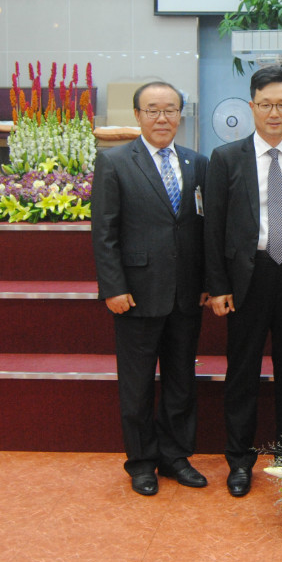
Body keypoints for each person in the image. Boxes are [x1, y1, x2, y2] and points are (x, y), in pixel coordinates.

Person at [204, 65, 282, 497]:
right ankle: (239, 461)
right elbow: (212, 227)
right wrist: (218, 286)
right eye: (265, 104)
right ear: (252, 106)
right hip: (247, 276)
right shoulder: (225, 159)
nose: (274, 113)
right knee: (243, 371)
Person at [91, 81, 209, 496]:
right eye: (153, 110)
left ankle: (175, 456)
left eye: (170, 110)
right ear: (138, 115)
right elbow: (104, 231)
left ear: (181, 114)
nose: (163, 118)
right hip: (136, 293)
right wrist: (113, 287)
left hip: (186, 294)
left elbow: (203, 229)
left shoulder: (197, 162)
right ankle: (141, 462)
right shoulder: (115, 161)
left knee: (181, 381)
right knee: (137, 384)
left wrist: (207, 283)